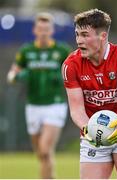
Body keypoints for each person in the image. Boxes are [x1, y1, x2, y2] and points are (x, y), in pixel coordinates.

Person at [62, 9, 117, 179]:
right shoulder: (71, 65)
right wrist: (88, 129)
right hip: (93, 132)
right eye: (77, 35)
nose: (79, 41)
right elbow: (76, 109)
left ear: (103, 36)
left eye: (85, 35)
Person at [7, 12, 71, 179]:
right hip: (33, 105)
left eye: (47, 29)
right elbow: (12, 74)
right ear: (35, 30)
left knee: (44, 148)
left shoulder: (62, 50)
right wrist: (17, 76)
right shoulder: (26, 51)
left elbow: (75, 72)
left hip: (55, 105)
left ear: (52, 31)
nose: (43, 32)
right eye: (40, 29)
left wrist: (62, 75)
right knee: (42, 154)